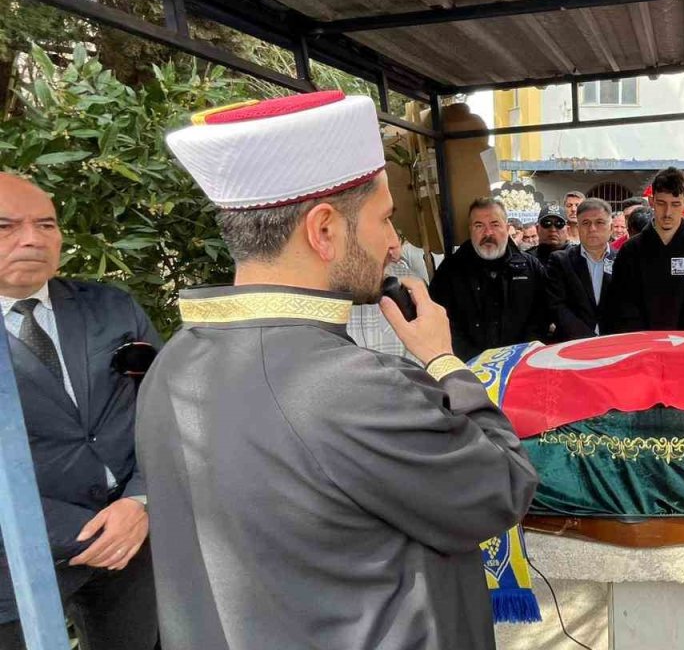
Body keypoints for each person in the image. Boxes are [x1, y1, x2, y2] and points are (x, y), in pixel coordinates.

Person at [147, 91, 538, 649]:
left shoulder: (172, 365)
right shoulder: (352, 387)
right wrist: (444, 360)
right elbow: (502, 487)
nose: (395, 243)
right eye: (385, 219)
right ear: (324, 229)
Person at [0, 174, 160, 650]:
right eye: (6, 226)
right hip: (13, 564)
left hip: (132, 540)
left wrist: (141, 501)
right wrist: (87, 532)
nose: (32, 238)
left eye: (46, 224)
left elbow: (169, 407)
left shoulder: (109, 307)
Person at [601, 167, 684, 332]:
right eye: (661, 203)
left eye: (675, 204)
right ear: (651, 201)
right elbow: (621, 303)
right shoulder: (631, 250)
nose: (668, 212)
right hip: (642, 346)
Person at [430, 197, 549, 361]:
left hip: (520, 363)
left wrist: (520, 354)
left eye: (495, 225)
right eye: (479, 226)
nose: (488, 233)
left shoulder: (530, 268)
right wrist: (473, 360)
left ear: (507, 228)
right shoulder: (450, 271)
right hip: (468, 368)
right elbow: (439, 320)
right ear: (470, 229)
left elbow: (542, 316)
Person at [546, 199, 615, 341]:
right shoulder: (561, 261)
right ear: (577, 227)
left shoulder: (623, 260)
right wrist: (588, 339)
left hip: (615, 343)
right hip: (572, 344)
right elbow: (556, 306)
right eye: (586, 223)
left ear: (611, 227)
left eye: (599, 222)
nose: (592, 229)